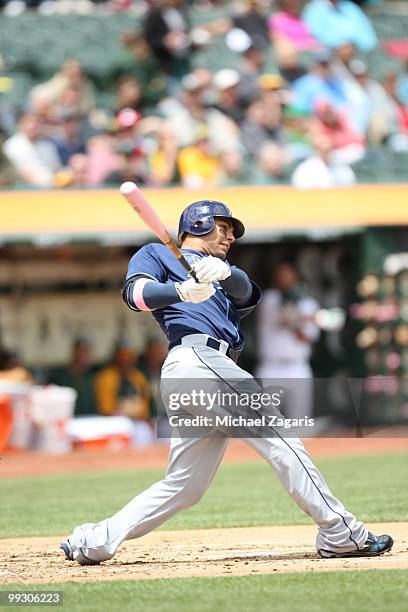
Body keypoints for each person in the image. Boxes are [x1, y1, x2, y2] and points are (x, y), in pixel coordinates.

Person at [60, 200, 393, 564]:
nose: (231, 235)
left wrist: (220, 272)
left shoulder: (222, 273)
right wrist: (180, 291)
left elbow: (249, 293)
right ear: (199, 224)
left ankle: (95, 540)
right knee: (280, 437)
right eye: (224, 227)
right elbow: (135, 295)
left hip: (202, 371)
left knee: (185, 486)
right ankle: (341, 532)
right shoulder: (156, 253)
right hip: (198, 361)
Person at [256, 261, 319, 419]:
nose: (284, 279)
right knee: (266, 422)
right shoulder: (270, 299)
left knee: (300, 421)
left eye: (288, 275)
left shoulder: (308, 303)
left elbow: (305, 337)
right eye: (280, 275)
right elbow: (283, 318)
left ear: (296, 277)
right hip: (271, 367)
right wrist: (307, 318)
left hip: (298, 367)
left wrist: (303, 319)